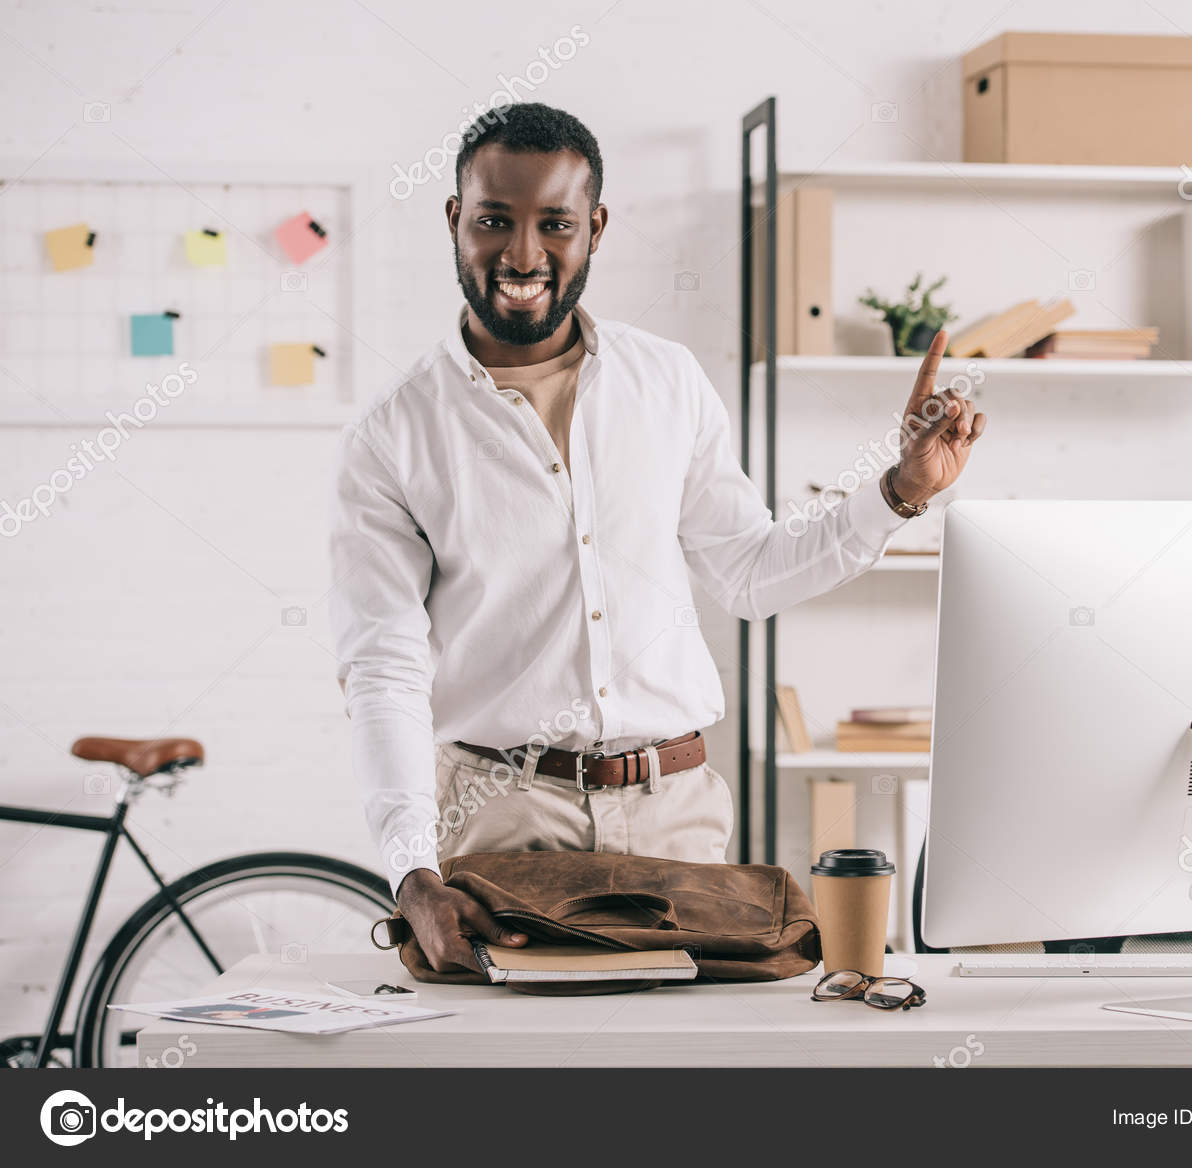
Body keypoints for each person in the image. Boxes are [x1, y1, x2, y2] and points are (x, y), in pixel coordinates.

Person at [329, 103, 985, 975]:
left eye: (554, 223)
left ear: (594, 228)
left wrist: (900, 491)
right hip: (500, 821)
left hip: (676, 814)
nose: (522, 255)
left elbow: (751, 574)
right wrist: (411, 870)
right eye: (494, 221)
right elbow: (383, 667)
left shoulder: (667, 382)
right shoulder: (393, 433)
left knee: (693, 1052)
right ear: (455, 220)